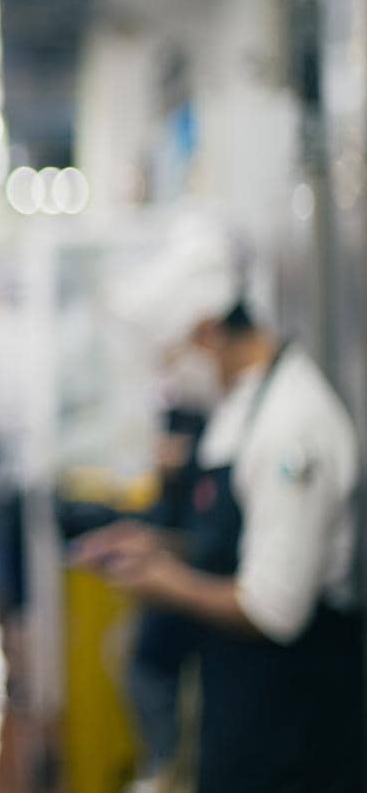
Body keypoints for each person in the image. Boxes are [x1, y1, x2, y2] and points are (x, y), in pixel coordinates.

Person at [76, 228, 362, 793]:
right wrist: (157, 546)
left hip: (292, 724)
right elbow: (238, 542)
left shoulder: (289, 426)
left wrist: (166, 581)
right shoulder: (240, 409)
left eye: (171, 359)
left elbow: (275, 608)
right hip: (241, 702)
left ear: (207, 333)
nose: (170, 378)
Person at [124, 405, 207, 784]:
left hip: (180, 638)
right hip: (158, 631)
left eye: (173, 441)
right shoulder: (169, 489)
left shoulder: (199, 489)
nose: (163, 450)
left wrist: (163, 570)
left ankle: (165, 768)